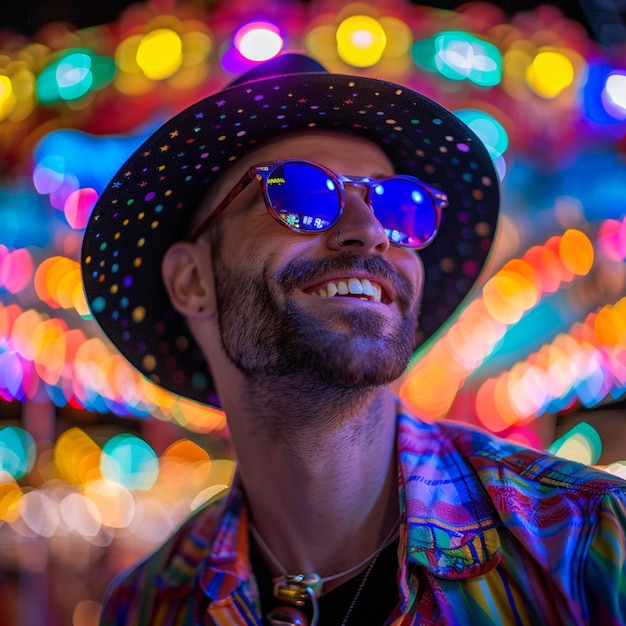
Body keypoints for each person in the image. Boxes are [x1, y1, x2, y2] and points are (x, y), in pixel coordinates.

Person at [82, 53, 626, 626]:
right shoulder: (148, 606)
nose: (369, 232)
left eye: (398, 208)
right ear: (192, 280)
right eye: (299, 194)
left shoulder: (590, 543)